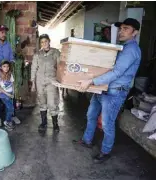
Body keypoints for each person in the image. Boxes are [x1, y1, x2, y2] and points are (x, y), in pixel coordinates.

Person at [74, 18, 141, 163]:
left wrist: (91, 81)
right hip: (102, 88)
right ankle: (87, 140)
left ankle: (106, 151)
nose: (121, 31)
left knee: (107, 123)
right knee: (91, 115)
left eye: (126, 29)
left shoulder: (131, 50)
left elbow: (116, 73)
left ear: (134, 32)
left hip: (114, 92)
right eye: (121, 28)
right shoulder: (121, 47)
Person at [0, 25, 21, 127]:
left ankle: (12, 115)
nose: (3, 34)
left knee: (11, 95)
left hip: (7, 76)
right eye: (1, 32)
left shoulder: (8, 46)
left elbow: (11, 59)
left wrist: (9, 70)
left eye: (5, 32)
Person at [31, 34, 60, 132]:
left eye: (45, 41)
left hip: (51, 81)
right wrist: (33, 83)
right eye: (42, 42)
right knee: (42, 102)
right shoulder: (37, 54)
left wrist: (59, 81)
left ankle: (55, 124)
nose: (44, 43)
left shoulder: (56, 52)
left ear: (49, 41)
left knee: (52, 103)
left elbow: (60, 67)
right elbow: (33, 69)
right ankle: (44, 122)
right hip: (39, 81)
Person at [0, 60, 15, 131]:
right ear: (1, 67)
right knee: (11, 108)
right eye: (4, 66)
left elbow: (12, 84)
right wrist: (7, 94)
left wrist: (13, 92)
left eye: (7, 66)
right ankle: (7, 122)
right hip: (4, 95)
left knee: (8, 108)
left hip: (10, 94)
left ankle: (8, 121)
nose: (6, 68)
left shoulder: (10, 74)